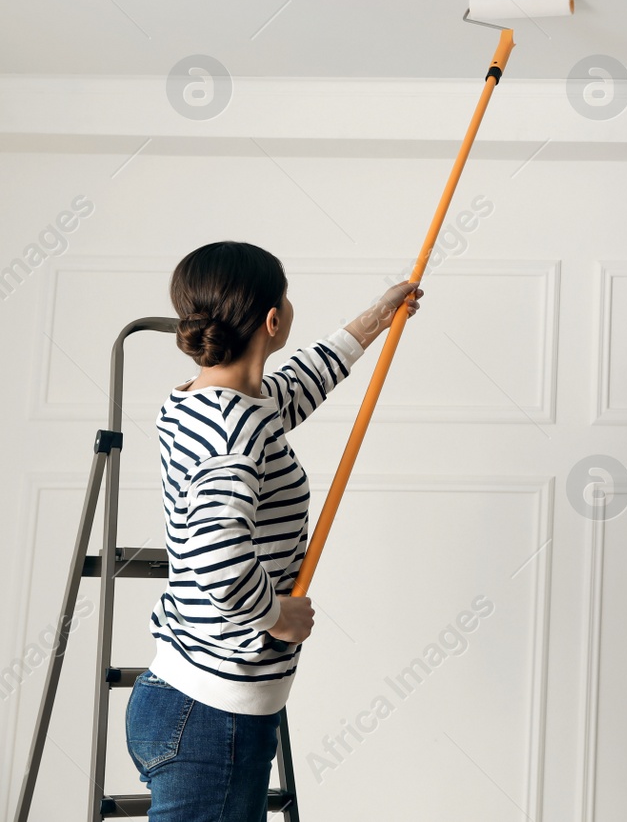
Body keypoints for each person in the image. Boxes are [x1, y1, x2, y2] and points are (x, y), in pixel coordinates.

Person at [124, 241, 421, 820]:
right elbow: (217, 557)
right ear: (273, 319)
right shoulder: (235, 430)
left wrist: (375, 320)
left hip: (199, 706)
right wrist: (275, 615)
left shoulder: (211, 404)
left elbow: (289, 391)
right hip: (210, 716)